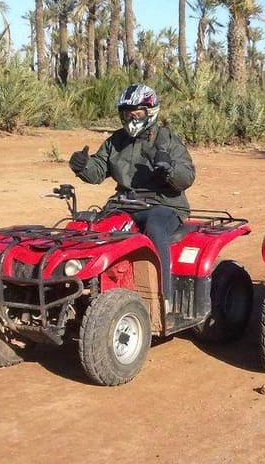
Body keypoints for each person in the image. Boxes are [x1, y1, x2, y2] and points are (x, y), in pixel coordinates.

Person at [68, 83, 195, 311]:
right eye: (127, 114)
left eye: (137, 113)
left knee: (154, 228)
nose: (131, 119)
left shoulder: (167, 140)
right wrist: (83, 165)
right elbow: (98, 170)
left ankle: (162, 297)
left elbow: (186, 177)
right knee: (87, 227)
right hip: (124, 204)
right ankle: (78, 285)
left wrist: (169, 169)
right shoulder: (116, 141)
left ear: (150, 112)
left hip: (163, 204)